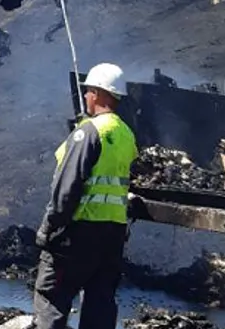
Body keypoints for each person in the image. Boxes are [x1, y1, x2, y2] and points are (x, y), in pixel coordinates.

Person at [33, 62, 139, 329]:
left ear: (100, 94)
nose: (85, 96)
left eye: (89, 90)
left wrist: (49, 227)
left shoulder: (88, 132)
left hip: (78, 232)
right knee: (100, 305)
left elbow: (66, 189)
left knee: (52, 299)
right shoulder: (126, 134)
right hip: (112, 235)